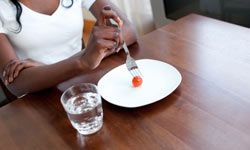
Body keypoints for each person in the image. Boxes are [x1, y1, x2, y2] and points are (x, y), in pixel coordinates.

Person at [0, 0, 137, 97]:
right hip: (39, 99)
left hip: (81, 83)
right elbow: (15, 83)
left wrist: (86, 60)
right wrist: (82, 62)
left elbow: (128, 31)